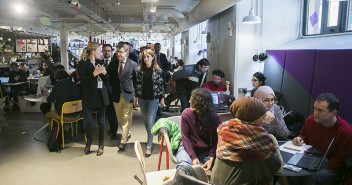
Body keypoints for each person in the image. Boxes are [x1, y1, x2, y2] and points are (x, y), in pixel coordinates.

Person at [211, 97, 282, 185]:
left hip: (216, 181)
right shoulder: (260, 137)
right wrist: (274, 142)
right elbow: (276, 167)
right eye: (262, 118)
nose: (263, 122)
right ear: (252, 117)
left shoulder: (224, 128)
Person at [290, 93, 352, 185]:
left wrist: (314, 166)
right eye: (314, 108)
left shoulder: (346, 131)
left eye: (320, 110)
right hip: (309, 159)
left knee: (310, 177)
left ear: (333, 113)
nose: (315, 113)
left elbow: (338, 161)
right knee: (292, 171)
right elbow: (302, 135)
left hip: (330, 167)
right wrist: (299, 139)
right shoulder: (310, 120)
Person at [176, 88, 221, 172]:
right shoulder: (187, 113)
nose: (189, 101)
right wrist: (193, 157)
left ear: (199, 105)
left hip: (206, 151)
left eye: (191, 99)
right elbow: (185, 138)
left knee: (220, 168)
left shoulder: (215, 118)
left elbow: (216, 141)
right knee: (183, 166)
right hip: (188, 147)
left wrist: (211, 158)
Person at [77, 43, 109, 156]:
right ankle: (89, 142)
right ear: (93, 51)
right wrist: (94, 74)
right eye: (99, 50)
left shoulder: (100, 63)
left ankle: (101, 144)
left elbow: (106, 79)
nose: (101, 52)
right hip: (88, 96)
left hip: (101, 96)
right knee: (87, 122)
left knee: (101, 121)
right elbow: (82, 81)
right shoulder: (82, 64)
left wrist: (104, 73)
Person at [108, 42, 138, 152]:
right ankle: (127, 132)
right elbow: (109, 79)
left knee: (126, 118)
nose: (118, 54)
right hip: (116, 95)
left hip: (128, 95)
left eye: (121, 52)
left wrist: (136, 96)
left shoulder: (133, 64)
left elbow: (136, 81)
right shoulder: (113, 64)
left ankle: (123, 141)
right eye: (117, 52)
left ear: (127, 52)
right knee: (119, 118)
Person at [135, 49, 165, 157]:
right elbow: (137, 84)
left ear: (153, 58)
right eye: (144, 57)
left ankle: (149, 145)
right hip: (142, 99)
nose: (146, 59)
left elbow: (161, 85)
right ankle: (152, 135)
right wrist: (136, 97)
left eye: (148, 57)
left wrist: (162, 98)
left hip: (154, 99)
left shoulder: (158, 70)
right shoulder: (139, 70)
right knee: (146, 120)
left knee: (150, 121)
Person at [102, 44, 119, 140]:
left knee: (114, 113)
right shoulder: (99, 62)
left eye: (108, 50)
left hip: (113, 91)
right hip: (103, 91)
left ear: (112, 51)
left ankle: (114, 131)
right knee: (108, 113)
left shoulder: (116, 62)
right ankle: (112, 129)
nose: (107, 52)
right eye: (105, 50)